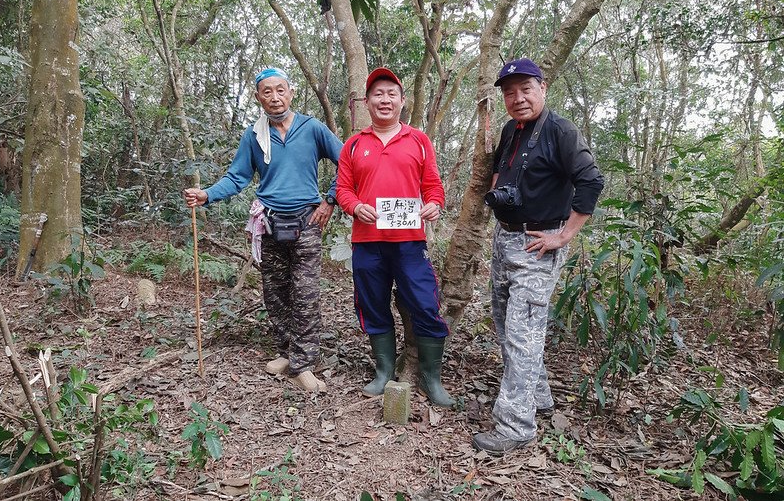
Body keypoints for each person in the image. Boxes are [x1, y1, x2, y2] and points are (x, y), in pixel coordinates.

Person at [472, 58, 604, 455]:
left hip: (537, 244)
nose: (518, 98)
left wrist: (563, 235)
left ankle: (515, 426)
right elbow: (501, 174)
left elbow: (591, 181)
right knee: (506, 324)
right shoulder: (512, 130)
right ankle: (539, 396)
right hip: (505, 239)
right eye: (510, 92)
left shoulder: (561, 130)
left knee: (521, 334)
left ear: (543, 88)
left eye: (525, 89)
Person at [184, 67, 342, 392]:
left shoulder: (312, 128)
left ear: (291, 92)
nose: (274, 97)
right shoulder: (254, 135)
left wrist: (330, 199)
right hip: (269, 223)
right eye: (267, 91)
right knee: (276, 293)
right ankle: (286, 351)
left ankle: (303, 364)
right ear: (258, 97)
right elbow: (237, 177)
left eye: (280, 89)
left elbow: (350, 161)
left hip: (308, 221)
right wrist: (206, 194)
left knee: (306, 293)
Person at [335, 67, 454, 408]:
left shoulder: (418, 140)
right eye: (378, 94)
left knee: (426, 304)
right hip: (367, 242)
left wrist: (434, 204)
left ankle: (432, 377)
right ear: (366, 101)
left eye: (391, 94)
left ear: (403, 101)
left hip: (409, 242)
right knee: (372, 304)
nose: (384, 100)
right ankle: (384, 371)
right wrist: (356, 206)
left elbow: (433, 185)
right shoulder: (354, 145)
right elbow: (343, 189)